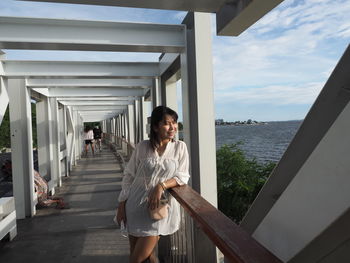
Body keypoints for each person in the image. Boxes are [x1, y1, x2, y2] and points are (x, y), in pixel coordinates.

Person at [116, 106, 190, 263]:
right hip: (134, 205)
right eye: (166, 123)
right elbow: (129, 175)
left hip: (158, 207)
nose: (172, 127)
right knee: (143, 255)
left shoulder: (179, 147)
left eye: (174, 122)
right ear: (155, 127)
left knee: (137, 259)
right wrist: (122, 204)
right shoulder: (143, 146)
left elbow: (182, 176)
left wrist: (161, 186)